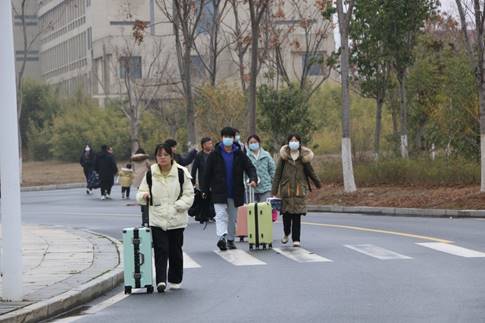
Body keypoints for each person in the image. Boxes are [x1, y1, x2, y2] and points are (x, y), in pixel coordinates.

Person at [136, 143, 194, 293]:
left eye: (165, 155)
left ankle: (175, 279)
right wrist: (144, 196)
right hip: (157, 218)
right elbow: (140, 193)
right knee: (161, 250)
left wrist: (178, 206)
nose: (162, 158)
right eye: (159, 155)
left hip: (176, 218)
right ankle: (161, 280)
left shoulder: (181, 173)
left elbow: (189, 195)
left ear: (171, 156)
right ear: (156, 157)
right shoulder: (150, 173)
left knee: (175, 250)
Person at [202, 127, 257, 251]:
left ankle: (231, 240)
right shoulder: (214, 154)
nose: (228, 139)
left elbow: (250, 168)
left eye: (230, 137)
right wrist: (204, 190)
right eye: (225, 136)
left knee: (232, 217)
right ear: (221, 138)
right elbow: (207, 173)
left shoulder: (239, 154)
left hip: (235, 191)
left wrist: (253, 179)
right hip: (218, 191)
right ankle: (222, 237)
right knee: (221, 215)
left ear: (233, 138)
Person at [271, 134, 321, 247]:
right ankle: (286, 233)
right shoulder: (283, 158)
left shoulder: (303, 158)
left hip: (299, 190)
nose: (294, 142)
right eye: (292, 140)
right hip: (286, 190)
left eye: (296, 140)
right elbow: (278, 174)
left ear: (299, 142)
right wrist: (274, 190)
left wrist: (317, 183)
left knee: (297, 216)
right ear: (288, 142)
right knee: (286, 215)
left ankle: (296, 239)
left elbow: (310, 171)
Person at [246, 135, 276, 202]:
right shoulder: (245, 156)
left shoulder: (266, 155)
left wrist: (272, 183)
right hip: (251, 189)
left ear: (259, 143)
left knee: (265, 209)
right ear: (248, 144)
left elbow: (272, 170)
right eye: (251, 143)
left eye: (255, 142)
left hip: (266, 188)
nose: (253, 144)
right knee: (252, 210)